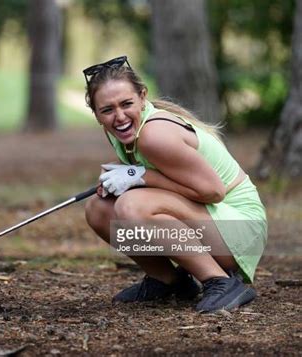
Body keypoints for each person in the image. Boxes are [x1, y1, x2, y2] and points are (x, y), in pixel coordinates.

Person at [83, 56, 267, 313]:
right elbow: (153, 169)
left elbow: (213, 192)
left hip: (239, 227)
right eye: (107, 110)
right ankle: (169, 281)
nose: (119, 116)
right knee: (99, 208)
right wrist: (119, 176)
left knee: (131, 206)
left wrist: (138, 177)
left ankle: (222, 282)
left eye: (126, 104)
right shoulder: (122, 131)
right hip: (209, 221)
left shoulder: (154, 134)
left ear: (143, 96)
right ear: (96, 114)